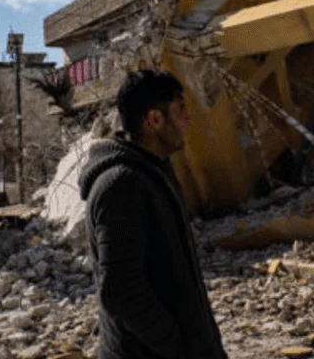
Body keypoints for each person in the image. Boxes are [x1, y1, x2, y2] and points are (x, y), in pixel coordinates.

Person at [80, 70, 228, 359]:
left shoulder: (152, 173)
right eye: (180, 110)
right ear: (155, 121)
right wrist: (177, 347)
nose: (188, 120)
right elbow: (121, 289)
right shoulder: (121, 185)